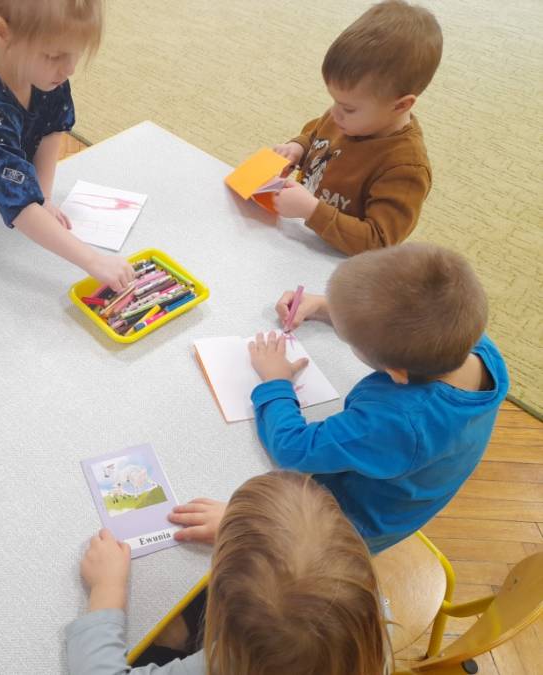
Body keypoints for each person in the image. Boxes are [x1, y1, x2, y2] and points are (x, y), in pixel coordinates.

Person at [246, 243, 509, 553]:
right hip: (410, 484)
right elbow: (406, 316)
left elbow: (293, 450)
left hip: (347, 526)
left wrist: (276, 382)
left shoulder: (398, 422)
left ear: (396, 372)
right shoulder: (467, 341)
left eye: (351, 340)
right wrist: (328, 307)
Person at [0, 0, 135, 291]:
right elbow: (19, 205)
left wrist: (43, 197)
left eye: (75, 54)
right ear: (3, 33)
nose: (69, 68)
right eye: (55, 55)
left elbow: (52, 128)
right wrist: (94, 261)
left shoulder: (44, 72)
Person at [68, 472, 388, 674]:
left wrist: (106, 590)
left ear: (219, 614)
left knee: (156, 635)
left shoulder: (230, 664)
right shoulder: (363, 617)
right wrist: (246, 529)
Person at [271, 0, 443, 255]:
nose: (334, 113)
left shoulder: (405, 169)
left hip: (338, 262)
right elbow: (316, 135)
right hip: (301, 238)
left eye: (348, 108)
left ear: (400, 105)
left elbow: (379, 243)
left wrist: (311, 211)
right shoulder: (346, 119)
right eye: (334, 101)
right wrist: (298, 148)